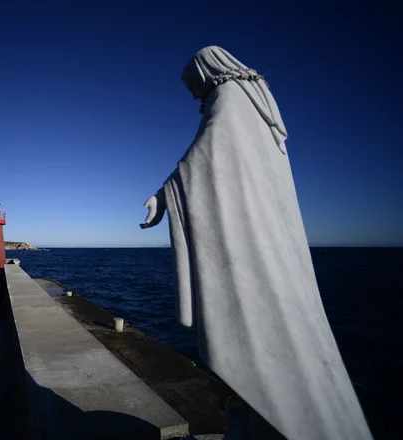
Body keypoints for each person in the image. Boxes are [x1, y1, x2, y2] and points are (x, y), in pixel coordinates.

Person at [141, 46, 372, 440]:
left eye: (194, 86)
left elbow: (208, 154)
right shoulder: (255, 103)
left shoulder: (229, 98)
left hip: (252, 245)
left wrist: (164, 194)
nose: (195, 96)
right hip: (275, 240)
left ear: (206, 71)